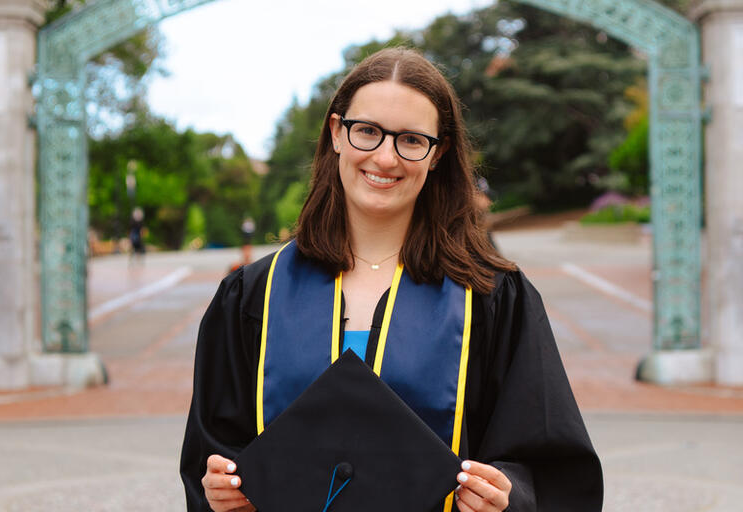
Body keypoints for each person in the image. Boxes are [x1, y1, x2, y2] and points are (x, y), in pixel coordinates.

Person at [180, 48, 603, 511]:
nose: (385, 157)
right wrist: (223, 491)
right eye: (367, 131)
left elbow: (548, 464)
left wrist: (507, 496)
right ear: (336, 132)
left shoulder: (491, 298)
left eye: (411, 140)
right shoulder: (253, 295)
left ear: (437, 153)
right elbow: (214, 451)